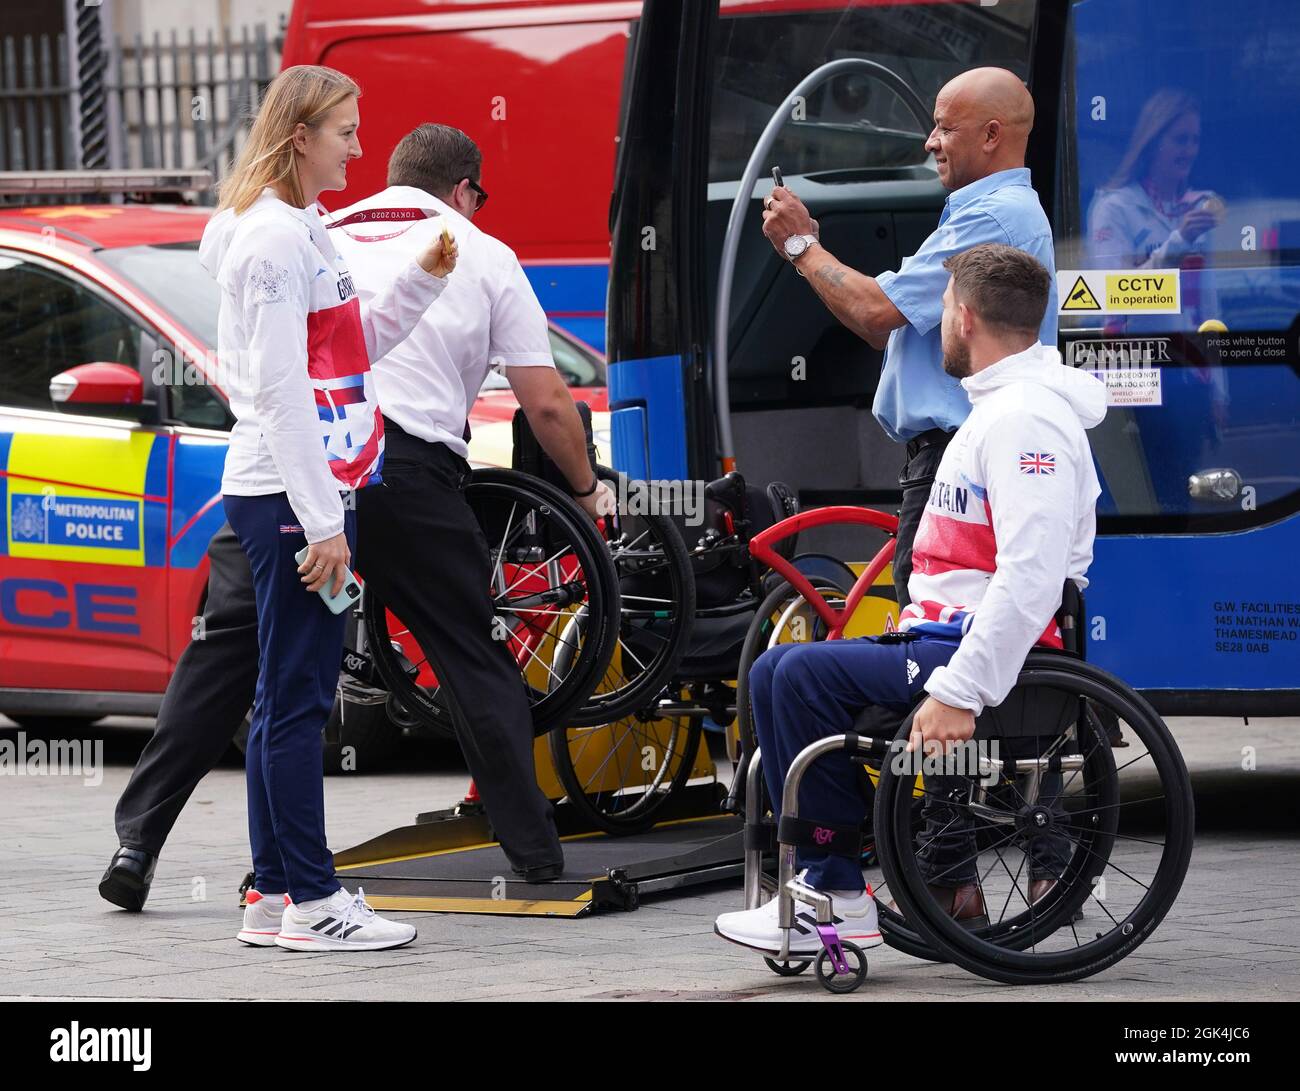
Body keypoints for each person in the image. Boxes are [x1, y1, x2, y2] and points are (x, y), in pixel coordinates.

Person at [98, 123, 609, 916]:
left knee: (227, 655)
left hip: (287, 461)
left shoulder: (319, 230)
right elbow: (545, 402)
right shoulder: (477, 247)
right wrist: (583, 490)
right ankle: (536, 853)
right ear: (465, 190)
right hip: (399, 468)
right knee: (466, 644)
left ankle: (139, 840)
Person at [714, 244, 1106, 958]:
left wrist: (961, 689)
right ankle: (821, 880)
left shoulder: (1026, 421)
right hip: (944, 637)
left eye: (943, 312)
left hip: (984, 657)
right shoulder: (997, 411)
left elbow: (1033, 574)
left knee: (799, 675)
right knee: (775, 670)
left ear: (963, 315)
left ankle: (836, 892)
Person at [197, 65, 457, 950]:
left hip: (287, 485)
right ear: (299, 134)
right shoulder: (274, 240)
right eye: (345, 130)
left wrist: (419, 281)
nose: (357, 146)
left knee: (284, 695)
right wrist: (323, 524)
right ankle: (312, 900)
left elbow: (343, 351)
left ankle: (274, 896)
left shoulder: (299, 229)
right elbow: (279, 387)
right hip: (285, 488)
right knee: (301, 700)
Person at [760, 67, 1057, 614]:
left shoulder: (990, 216)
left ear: (992, 135)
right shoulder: (988, 210)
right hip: (957, 457)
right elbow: (881, 319)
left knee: (929, 649)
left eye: (945, 129)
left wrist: (800, 245)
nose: (930, 142)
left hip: (955, 460)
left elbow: (875, 314)